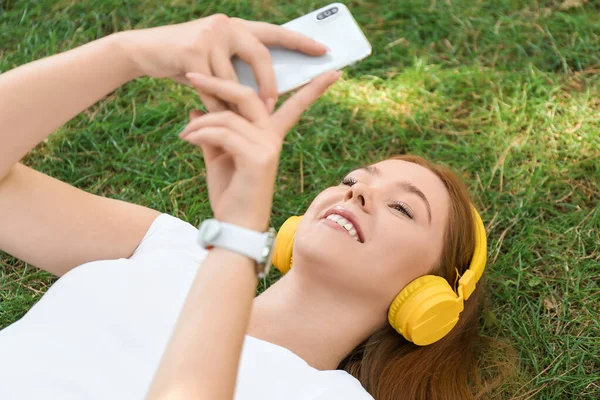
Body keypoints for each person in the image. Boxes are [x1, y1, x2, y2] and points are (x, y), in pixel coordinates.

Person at [0, 13, 490, 400]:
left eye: (403, 209)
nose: (357, 192)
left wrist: (237, 235)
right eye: (353, 180)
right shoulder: (174, 248)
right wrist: (128, 53)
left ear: (428, 297)